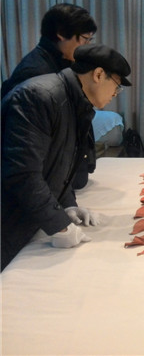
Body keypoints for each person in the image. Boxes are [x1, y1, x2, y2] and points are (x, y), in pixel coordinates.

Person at [1, 44, 131, 270]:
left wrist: (67, 204)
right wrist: (59, 224)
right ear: (99, 75)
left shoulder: (74, 100)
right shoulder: (38, 97)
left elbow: (61, 161)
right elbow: (23, 173)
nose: (114, 94)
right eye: (116, 87)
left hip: (29, 214)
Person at [2, 3, 99, 189]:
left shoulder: (61, 62)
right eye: (85, 39)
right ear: (61, 34)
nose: (87, 46)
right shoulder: (34, 72)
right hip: (44, 178)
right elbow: (28, 147)